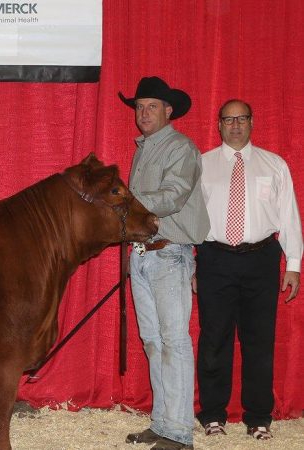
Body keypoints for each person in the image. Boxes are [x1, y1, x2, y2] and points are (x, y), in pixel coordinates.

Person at [195, 99, 301, 440]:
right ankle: (213, 416)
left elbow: (289, 217)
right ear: (219, 125)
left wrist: (294, 264)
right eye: (228, 119)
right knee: (214, 339)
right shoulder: (201, 165)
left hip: (261, 259)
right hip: (215, 259)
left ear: (252, 122)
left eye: (242, 119)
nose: (235, 125)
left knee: (259, 341)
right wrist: (189, 266)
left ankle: (258, 418)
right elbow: (190, 218)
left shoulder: (275, 165)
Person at [119, 76, 210, 450]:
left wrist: (122, 204)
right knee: (153, 341)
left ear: (168, 111)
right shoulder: (144, 149)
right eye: (139, 107)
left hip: (170, 253)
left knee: (173, 341)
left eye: (151, 106)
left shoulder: (180, 148)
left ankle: (180, 433)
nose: (143, 113)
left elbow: (172, 197)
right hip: (144, 253)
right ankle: (163, 423)